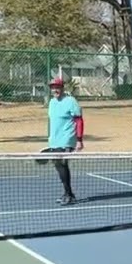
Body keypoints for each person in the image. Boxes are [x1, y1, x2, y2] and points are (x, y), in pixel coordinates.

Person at [44, 77, 83, 205]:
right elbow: (51, 121)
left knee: (62, 165)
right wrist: (49, 138)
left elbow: (79, 120)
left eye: (58, 87)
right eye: (53, 87)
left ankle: (69, 194)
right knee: (59, 166)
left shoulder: (71, 101)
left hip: (67, 139)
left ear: (62, 88)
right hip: (54, 140)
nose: (55, 90)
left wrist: (79, 140)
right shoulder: (51, 102)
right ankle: (68, 193)